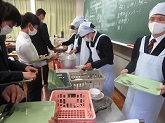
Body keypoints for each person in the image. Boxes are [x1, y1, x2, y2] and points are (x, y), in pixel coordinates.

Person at [120, 2, 165, 123]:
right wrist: (128, 69)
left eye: (161, 19)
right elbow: (135, 60)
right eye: (152, 19)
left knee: (144, 118)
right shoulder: (141, 40)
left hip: (151, 95)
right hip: (134, 87)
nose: (155, 22)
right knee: (128, 115)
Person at [0, 1, 37, 104]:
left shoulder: (1, 38)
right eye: (10, 25)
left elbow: (6, 61)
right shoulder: (22, 41)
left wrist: (23, 67)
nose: (10, 29)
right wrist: (20, 74)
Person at [16, 12, 58, 101]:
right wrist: (51, 58)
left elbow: (32, 58)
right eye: (36, 27)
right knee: (33, 95)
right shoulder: (24, 43)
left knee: (36, 91)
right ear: (30, 25)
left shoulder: (25, 38)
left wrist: (38, 57)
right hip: (31, 70)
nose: (36, 30)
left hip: (31, 67)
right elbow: (36, 64)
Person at [78, 21, 115, 97]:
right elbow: (92, 56)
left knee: (106, 92)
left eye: (85, 36)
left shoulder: (104, 39)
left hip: (107, 71)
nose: (85, 38)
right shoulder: (91, 41)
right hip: (99, 70)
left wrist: (93, 65)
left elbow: (109, 58)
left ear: (90, 32)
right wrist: (85, 66)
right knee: (98, 91)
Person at [30, 8, 56, 86]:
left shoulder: (31, 25)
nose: (43, 18)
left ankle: (37, 82)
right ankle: (45, 82)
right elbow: (46, 39)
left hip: (34, 49)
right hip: (42, 49)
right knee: (44, 65)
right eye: (43, 17)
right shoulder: (42, 25)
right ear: (41, 16)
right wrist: (52, 48)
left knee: (36, 66)